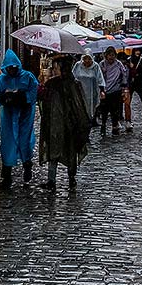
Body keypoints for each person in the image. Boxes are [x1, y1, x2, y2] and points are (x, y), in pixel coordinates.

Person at [39, 55, 92, 191]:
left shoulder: (72, 84)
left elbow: (78, 105)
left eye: (56, 68)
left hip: (67, 125)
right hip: (57, 124)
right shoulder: (54, 84)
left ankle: (66, 178)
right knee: (56, 151)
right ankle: (56, 179)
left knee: (66, 151)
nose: (54, 70)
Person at [0, 48, 38, 190]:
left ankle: (27, 164)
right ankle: (7, 175)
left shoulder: (28, 77)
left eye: (14, 68)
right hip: (9, 115)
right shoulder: (1, 79)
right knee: (8, 143)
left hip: (24, 114)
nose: (12, 70)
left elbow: (34, 91)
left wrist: (23, 98)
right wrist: (4, 98)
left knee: (24, 141)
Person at [99, 45, 128, 135]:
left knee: (115, 109)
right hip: (105, 89)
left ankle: (114, 126)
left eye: (113, 55)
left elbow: (124, 75)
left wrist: (124, 88)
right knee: (104, 110)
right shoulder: (102, 64)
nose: (111, 57)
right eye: (109, 55)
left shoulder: (118, 64)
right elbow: (99, 76)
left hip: (116, 89)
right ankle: (103, 125)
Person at [73, 49, 105, 124]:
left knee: (91, 105)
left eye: (89, 58)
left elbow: (100, 78)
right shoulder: (78, 65)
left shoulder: (95, 66)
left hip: (92, 91)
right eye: (85, 58)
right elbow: (73, 76)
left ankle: (92, 118)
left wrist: (102, 90)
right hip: (80, 91)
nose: (87, 61)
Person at [129, 47, 142, 124]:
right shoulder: (129, 60)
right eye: (136, 51)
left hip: (140, 83)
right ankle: (128, 118)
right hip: (131, 83)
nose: (137, 52)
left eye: (139, 51)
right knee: (128, 101)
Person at [117, 51, 134, 131]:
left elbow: (131, 76)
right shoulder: (116, 67)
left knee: (127, 104)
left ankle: (128, 120)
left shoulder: (128, 67)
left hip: (126, 87)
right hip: (117, 88)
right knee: (118, 105)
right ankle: (118, 120)